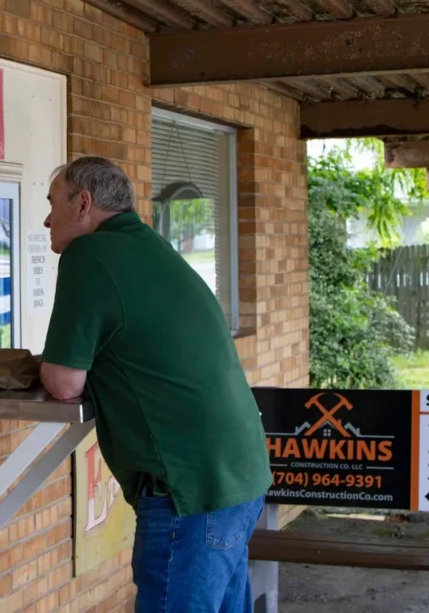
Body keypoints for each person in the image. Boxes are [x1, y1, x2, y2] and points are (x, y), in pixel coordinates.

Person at [39, 156, 271, 613]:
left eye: (52, 204)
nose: (47, 219)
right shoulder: (149, 246)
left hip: (189, 490)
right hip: (237, 478)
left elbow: (65, 381)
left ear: (83, 204)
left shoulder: (90, 254)